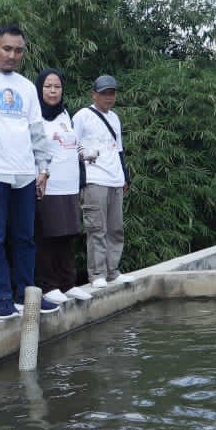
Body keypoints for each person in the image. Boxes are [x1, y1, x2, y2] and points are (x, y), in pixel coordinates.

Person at [0, 25, 57, 318]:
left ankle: (26, 294)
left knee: (25, 238)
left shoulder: (27, 87)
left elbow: (36, 131)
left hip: (25, 174)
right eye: (7, 49)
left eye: (18, 50)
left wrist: (43, 168)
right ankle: (1, 297)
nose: (12, 55)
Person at [34, 69, 92, 304]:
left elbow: (73, 146)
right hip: (48, 184)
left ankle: (68, 283)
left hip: (69, 184)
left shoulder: (65, 114)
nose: (53, 91)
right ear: (39, 89)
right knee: (48, 235)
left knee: (67, 235)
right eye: (48, 86)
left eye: (57, 87)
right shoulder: (35, 115)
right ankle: (49, 286)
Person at [72, 74, 130, 288]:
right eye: (104, 93)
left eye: (112, 93)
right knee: (97, 228)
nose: (108, 97)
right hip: (94, 178)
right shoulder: (82, 116)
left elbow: (119, 150)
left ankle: (113, 271)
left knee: (116, 228)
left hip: (115, 179)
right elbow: (70, 144)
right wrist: (84, 154)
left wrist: (125, 177)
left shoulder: (115, 118)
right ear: (94, 94)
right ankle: (97, 274)